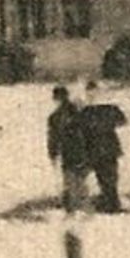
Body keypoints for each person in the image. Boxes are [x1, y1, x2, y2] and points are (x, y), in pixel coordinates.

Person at [46, 85, 90, 213]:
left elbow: (53, 137)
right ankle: (81, 204)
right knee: (80, 177)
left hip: (68, 150)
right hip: (81, 149)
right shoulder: (78, 111)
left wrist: (52, 153)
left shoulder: (55, 116)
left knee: (70, 177)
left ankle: (73, 205)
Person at [80, 103, 127, 213]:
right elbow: (122, 121)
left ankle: (109, 202)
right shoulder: (111, 108)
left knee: (102, 177)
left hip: (95, 149)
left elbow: (81, 127)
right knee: (111, 177)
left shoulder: (86, 111)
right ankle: (112, 202)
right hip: (110, 148)